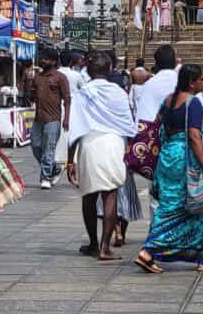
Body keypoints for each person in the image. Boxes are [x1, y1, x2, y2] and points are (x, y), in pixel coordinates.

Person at [135, 63, 203, 273]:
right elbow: (194, 136)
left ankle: (202, 256)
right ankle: (150, 250)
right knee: (202, 205)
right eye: (201, 79)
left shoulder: (168, 101)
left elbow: (160, 127)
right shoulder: (193, 103)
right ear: (191, 83)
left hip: (168, 157)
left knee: (171, 206)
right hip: (187, 159)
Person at [66, 52, 137, 261]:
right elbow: (128, 124)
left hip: (90, 144)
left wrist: (70, 160)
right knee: (110, 195)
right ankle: (105, 247)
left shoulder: (83, 93)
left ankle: (94, 244)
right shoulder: (119, 93)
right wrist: (129, 150)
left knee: (89, 195)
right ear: (109, 70)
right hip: (114, 144)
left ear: (88, 70)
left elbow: (75, 128)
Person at [31, 47, 70, 189]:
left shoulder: (60, 77)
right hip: (38, 118)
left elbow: (67, 99)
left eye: (46, 59)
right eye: (42, 58)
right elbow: (32, 96)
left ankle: (46, 177)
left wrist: (67, 118)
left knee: (49, 147)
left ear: (53, 61)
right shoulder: (37, 77)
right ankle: (53, 167)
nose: (42, 61)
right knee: (36, 146)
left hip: (53, 118)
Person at [135, 45, 178, 124]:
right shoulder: (183, 81)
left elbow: (143, 116)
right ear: (175, 61)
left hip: (157, 129)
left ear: (156, 63)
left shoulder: (149, 85)